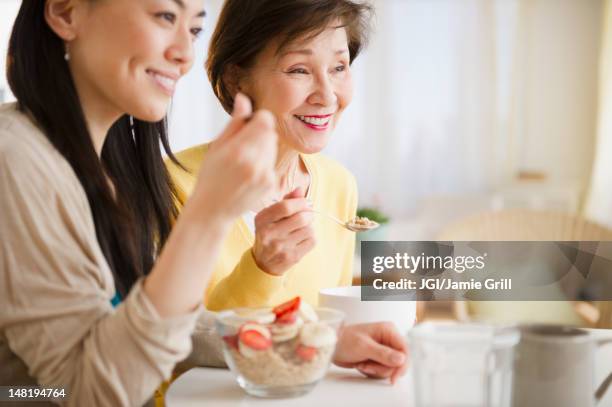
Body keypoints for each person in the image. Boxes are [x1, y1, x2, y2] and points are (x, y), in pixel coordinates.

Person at [0, 1, 406, 406]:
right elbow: (84, 390)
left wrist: (322, 342)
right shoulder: (15, 159)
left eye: (193, 29)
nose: (185, 54)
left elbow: (144, 331)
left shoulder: (97, 168)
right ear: (66, 12)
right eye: (164, 17)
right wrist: (211, 215)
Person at [168, 0, 371, 311]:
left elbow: (327, 326)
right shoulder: (172, 185)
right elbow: (171, 339)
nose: (328, 95)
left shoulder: (339, 185)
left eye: (339, 67)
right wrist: (262, 268)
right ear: (238, 79)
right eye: (299, 69)